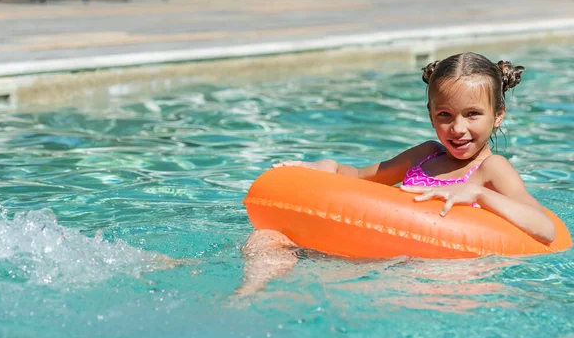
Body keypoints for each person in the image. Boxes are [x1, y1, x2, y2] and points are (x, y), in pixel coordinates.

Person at [237, 52, 556, 296]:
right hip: (381, 261)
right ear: (431, 116)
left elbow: (544, 228)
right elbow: (362, 177)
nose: (458, 129)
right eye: (445, 115)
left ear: (498, 116)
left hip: (439, 276)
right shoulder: (425, 154)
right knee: (267, 236)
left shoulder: (491, 169)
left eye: (473, 114)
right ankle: (247, 299)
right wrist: (326, 168)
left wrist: (478, 194)